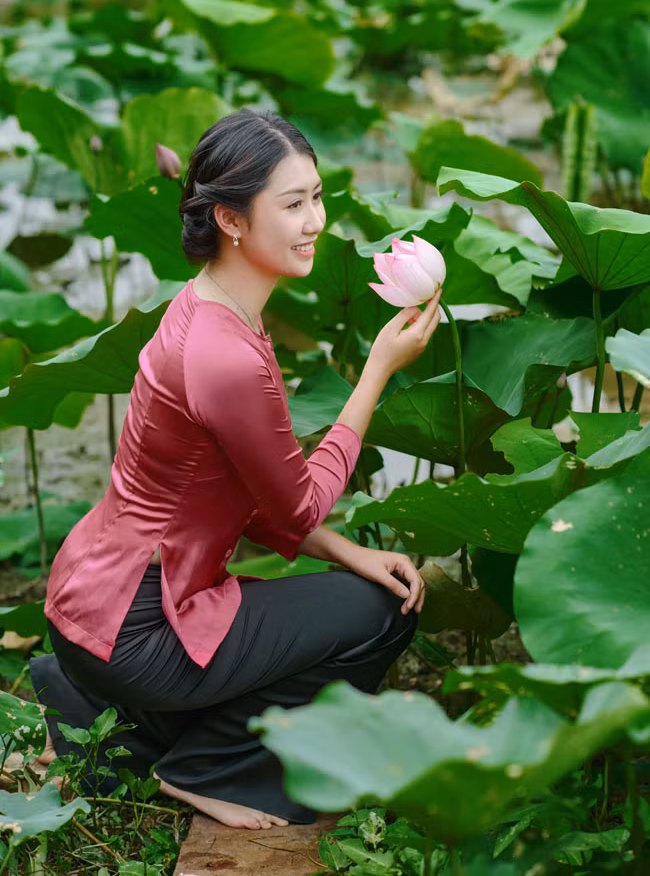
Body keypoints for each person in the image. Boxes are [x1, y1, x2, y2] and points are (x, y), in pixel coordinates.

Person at [30, 109, 442, 830]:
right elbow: (297, 510)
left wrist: (351, 552)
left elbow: (239, 497)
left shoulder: (201, 310)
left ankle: (113, 727)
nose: (314, 220)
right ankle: (207, 769)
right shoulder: (227, 357)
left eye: (316, 196)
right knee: (380, 617)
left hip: (88, 610)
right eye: (292, 204)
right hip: (137, 633)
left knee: (352, 586)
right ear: (232, 220)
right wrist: (377, 370)